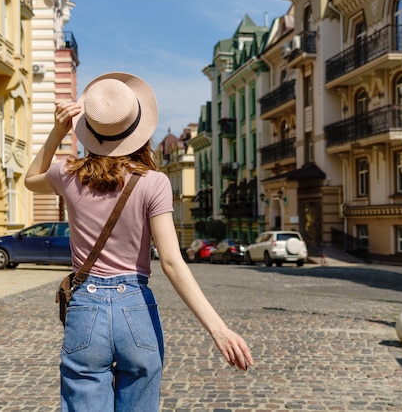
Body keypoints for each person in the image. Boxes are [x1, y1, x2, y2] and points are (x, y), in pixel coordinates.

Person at [25, 72, 253, 412]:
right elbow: (173, 263)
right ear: (139, 129)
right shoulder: (154, 183)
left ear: (90, 130)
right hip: (136, 308)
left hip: (86, 309)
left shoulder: (68, 175)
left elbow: (30, 180)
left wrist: (58, 132)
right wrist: (218, 330)